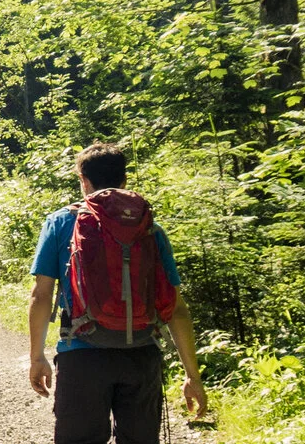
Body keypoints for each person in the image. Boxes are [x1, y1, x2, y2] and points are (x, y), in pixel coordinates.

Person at [26, 142, 210, 444]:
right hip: (141, 356)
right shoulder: (150, 229)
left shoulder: (60, 222)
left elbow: (41, 295)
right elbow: (176, 308)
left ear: (84, 181)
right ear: (124, 181)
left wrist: (37, 357)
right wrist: (193, 375)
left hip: (82, 355)